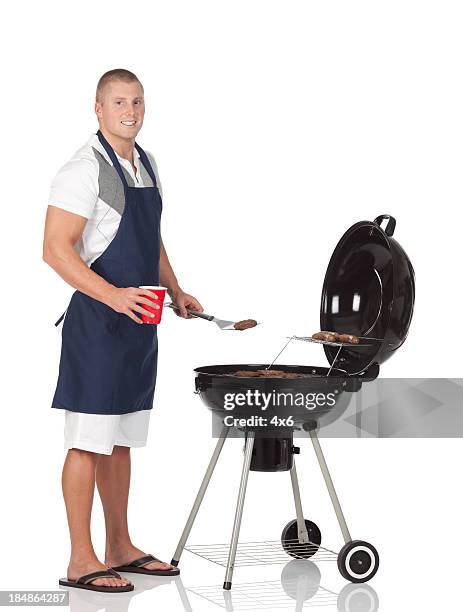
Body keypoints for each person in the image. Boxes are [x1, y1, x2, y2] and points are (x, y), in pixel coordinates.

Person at [43, 68, 203, 593]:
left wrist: (176, 291)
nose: (129, 111)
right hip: (97, 327)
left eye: (136, 102)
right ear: (98, 108)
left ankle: (119, 546)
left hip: (141, 324)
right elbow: (55, 249)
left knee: (120, 444)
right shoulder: (82, 169)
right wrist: (112, 296)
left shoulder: (147, 163)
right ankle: (81, 559)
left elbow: (150, 239)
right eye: (118, 102)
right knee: (88, 442)